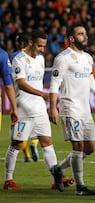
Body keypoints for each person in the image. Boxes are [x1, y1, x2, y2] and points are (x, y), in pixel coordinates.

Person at [49, 23, 95, 196]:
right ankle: (80, 186)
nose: (85, 36)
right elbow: (54, 84)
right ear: (71, 38)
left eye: (85, 33)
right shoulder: (63, 58)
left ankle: (57, 168)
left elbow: (92, 83)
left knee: (90, 148)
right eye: (81, 34)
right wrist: (53, 107)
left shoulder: (88, 58)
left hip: (85, 110)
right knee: (78, 146)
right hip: (70, 107)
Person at [3, 30, 64, 191]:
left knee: (47, 142)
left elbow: (37, 83)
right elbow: (21, 83)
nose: (42, 49)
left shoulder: (41, 59)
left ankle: (55, 179)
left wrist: (47, 102)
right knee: (16, 144)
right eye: (39, 46)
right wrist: (43, 94)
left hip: (39, 110)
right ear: (30, 43)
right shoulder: (18, 59)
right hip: (23, 109)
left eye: (44, 46)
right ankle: (8, 180)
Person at [9, 32, 40, 163]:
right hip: (35, 98)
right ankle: (34, 143)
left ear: (22, 43)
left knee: (18, 134)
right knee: (39, 128)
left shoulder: (14, 57)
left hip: (19, 97)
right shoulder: (38, 57)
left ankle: (26, 154)